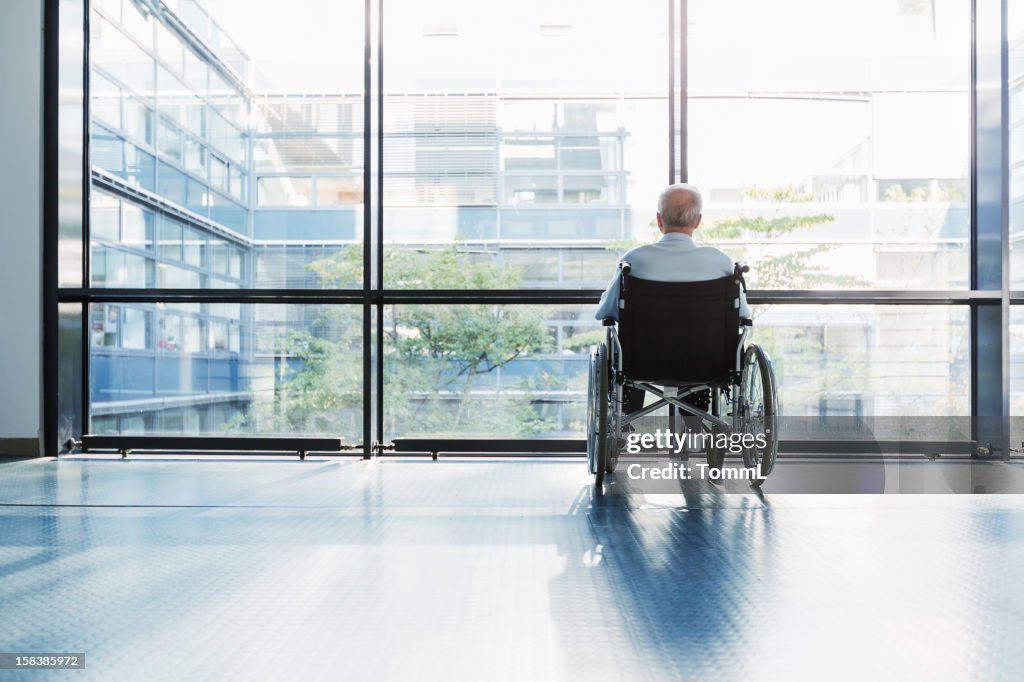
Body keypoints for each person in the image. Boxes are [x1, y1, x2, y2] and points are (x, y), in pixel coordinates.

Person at [595, 183, 750, 417]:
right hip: (708, 363)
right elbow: (742, 316)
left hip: (642, 362)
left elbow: (606, 312)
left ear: (659, 219)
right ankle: (696, 425)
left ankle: (626, 419)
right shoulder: (720, 263)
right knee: (700, 343)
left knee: (621, 350)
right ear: (697, 221)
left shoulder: (634, 261)